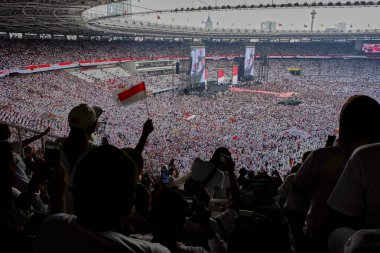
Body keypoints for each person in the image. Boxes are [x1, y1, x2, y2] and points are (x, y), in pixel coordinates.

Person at [34, 145, 170, 253]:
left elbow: (60, 223)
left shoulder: (49, 227)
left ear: (74, 192)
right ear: (130, 205)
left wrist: (57, 197)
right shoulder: (153, 250)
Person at [293, 95, 380, 253]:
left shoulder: (321, 157)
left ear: (343, 125)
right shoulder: (373, 159)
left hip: (317, 236)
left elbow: (298, 189)